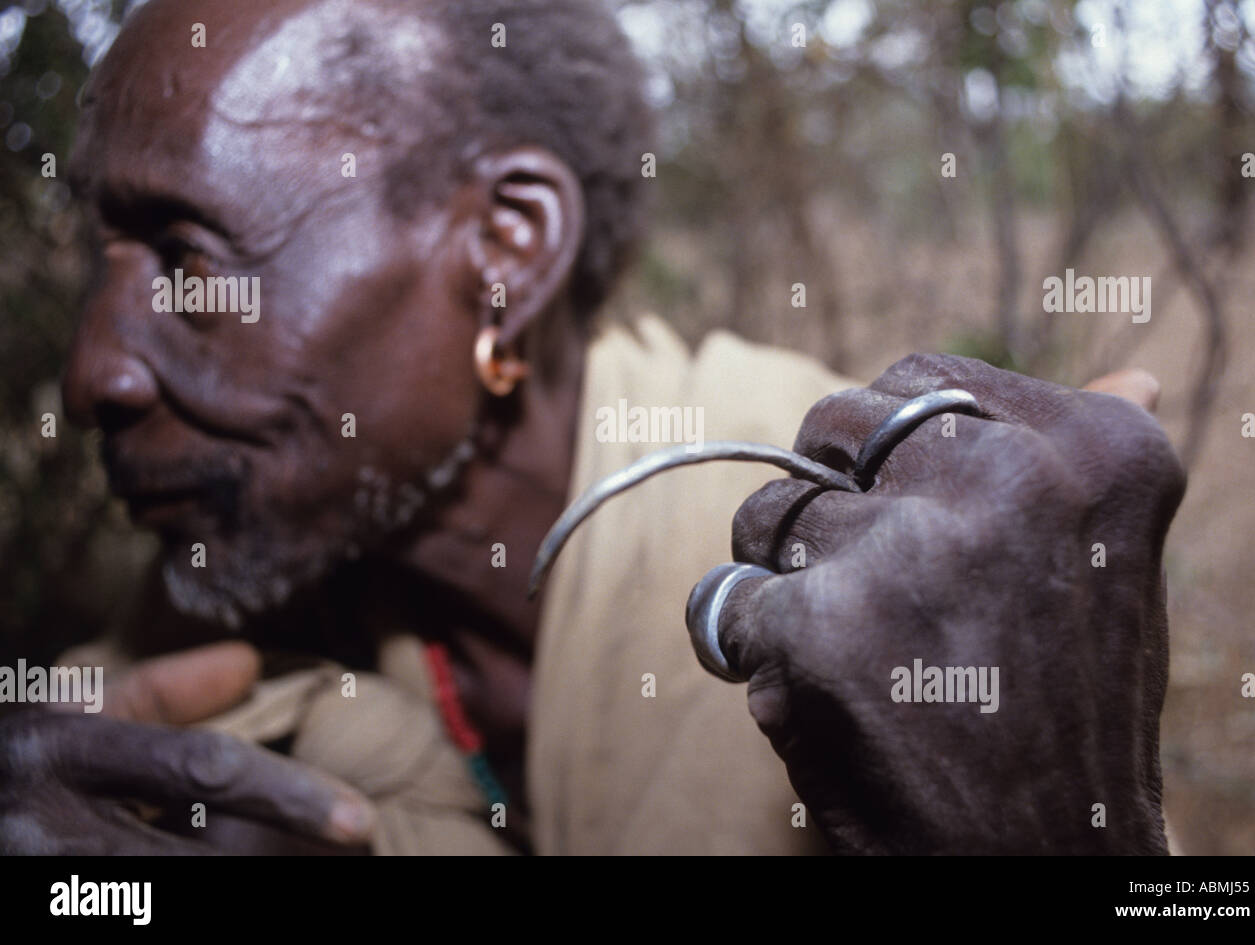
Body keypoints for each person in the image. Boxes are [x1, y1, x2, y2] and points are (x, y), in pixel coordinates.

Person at [0, 0, 1183, 855]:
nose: (96, 369)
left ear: (506, 255)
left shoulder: (871, 564)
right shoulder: (217, 637)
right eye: (103, 264)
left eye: (189, 259)